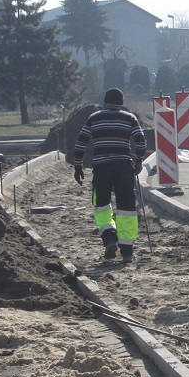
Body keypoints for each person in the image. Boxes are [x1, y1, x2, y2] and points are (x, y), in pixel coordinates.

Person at [73, 87, 148, 264]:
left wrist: (78, 167)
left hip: (101, 168)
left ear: (104, 102)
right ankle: (127, 251)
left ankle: (109, 238)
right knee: (127, 208)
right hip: (124, 167)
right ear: (121, 104)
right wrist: (138, 161)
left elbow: (81, 142)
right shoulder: (129, 118)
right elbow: (141, 140)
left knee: (101, 205)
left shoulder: (94, 118)